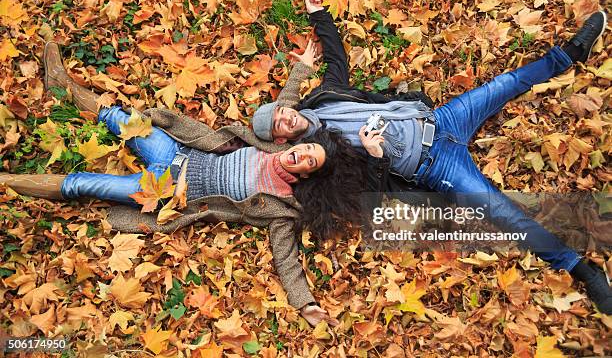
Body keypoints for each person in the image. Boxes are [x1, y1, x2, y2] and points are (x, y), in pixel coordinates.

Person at [251, 0, 612, 314]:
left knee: (505, 83)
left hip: (439, 119)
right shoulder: (321, 163)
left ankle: (570, 53)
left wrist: (320, 16)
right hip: (436, 165)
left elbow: (336, 62)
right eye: (281, 125)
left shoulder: (323, 99)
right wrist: (375, 154)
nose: (287, 118)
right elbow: (370, 199)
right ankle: (580, 268)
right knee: (507, 216)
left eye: (282, 111)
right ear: (282, 140)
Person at [0, 42, 368, 326]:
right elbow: (287, 103)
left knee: (86, 185)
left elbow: (286, 259)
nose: (301, 155)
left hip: (165, 190)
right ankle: (61, 83)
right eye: (306, 149)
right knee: (118, 116)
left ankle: (7, 182)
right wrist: (302, 66)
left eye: (308, 162)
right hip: (178, 151)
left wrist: (306, 304)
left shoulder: (282, 206)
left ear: (306, 175)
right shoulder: (277, 142)